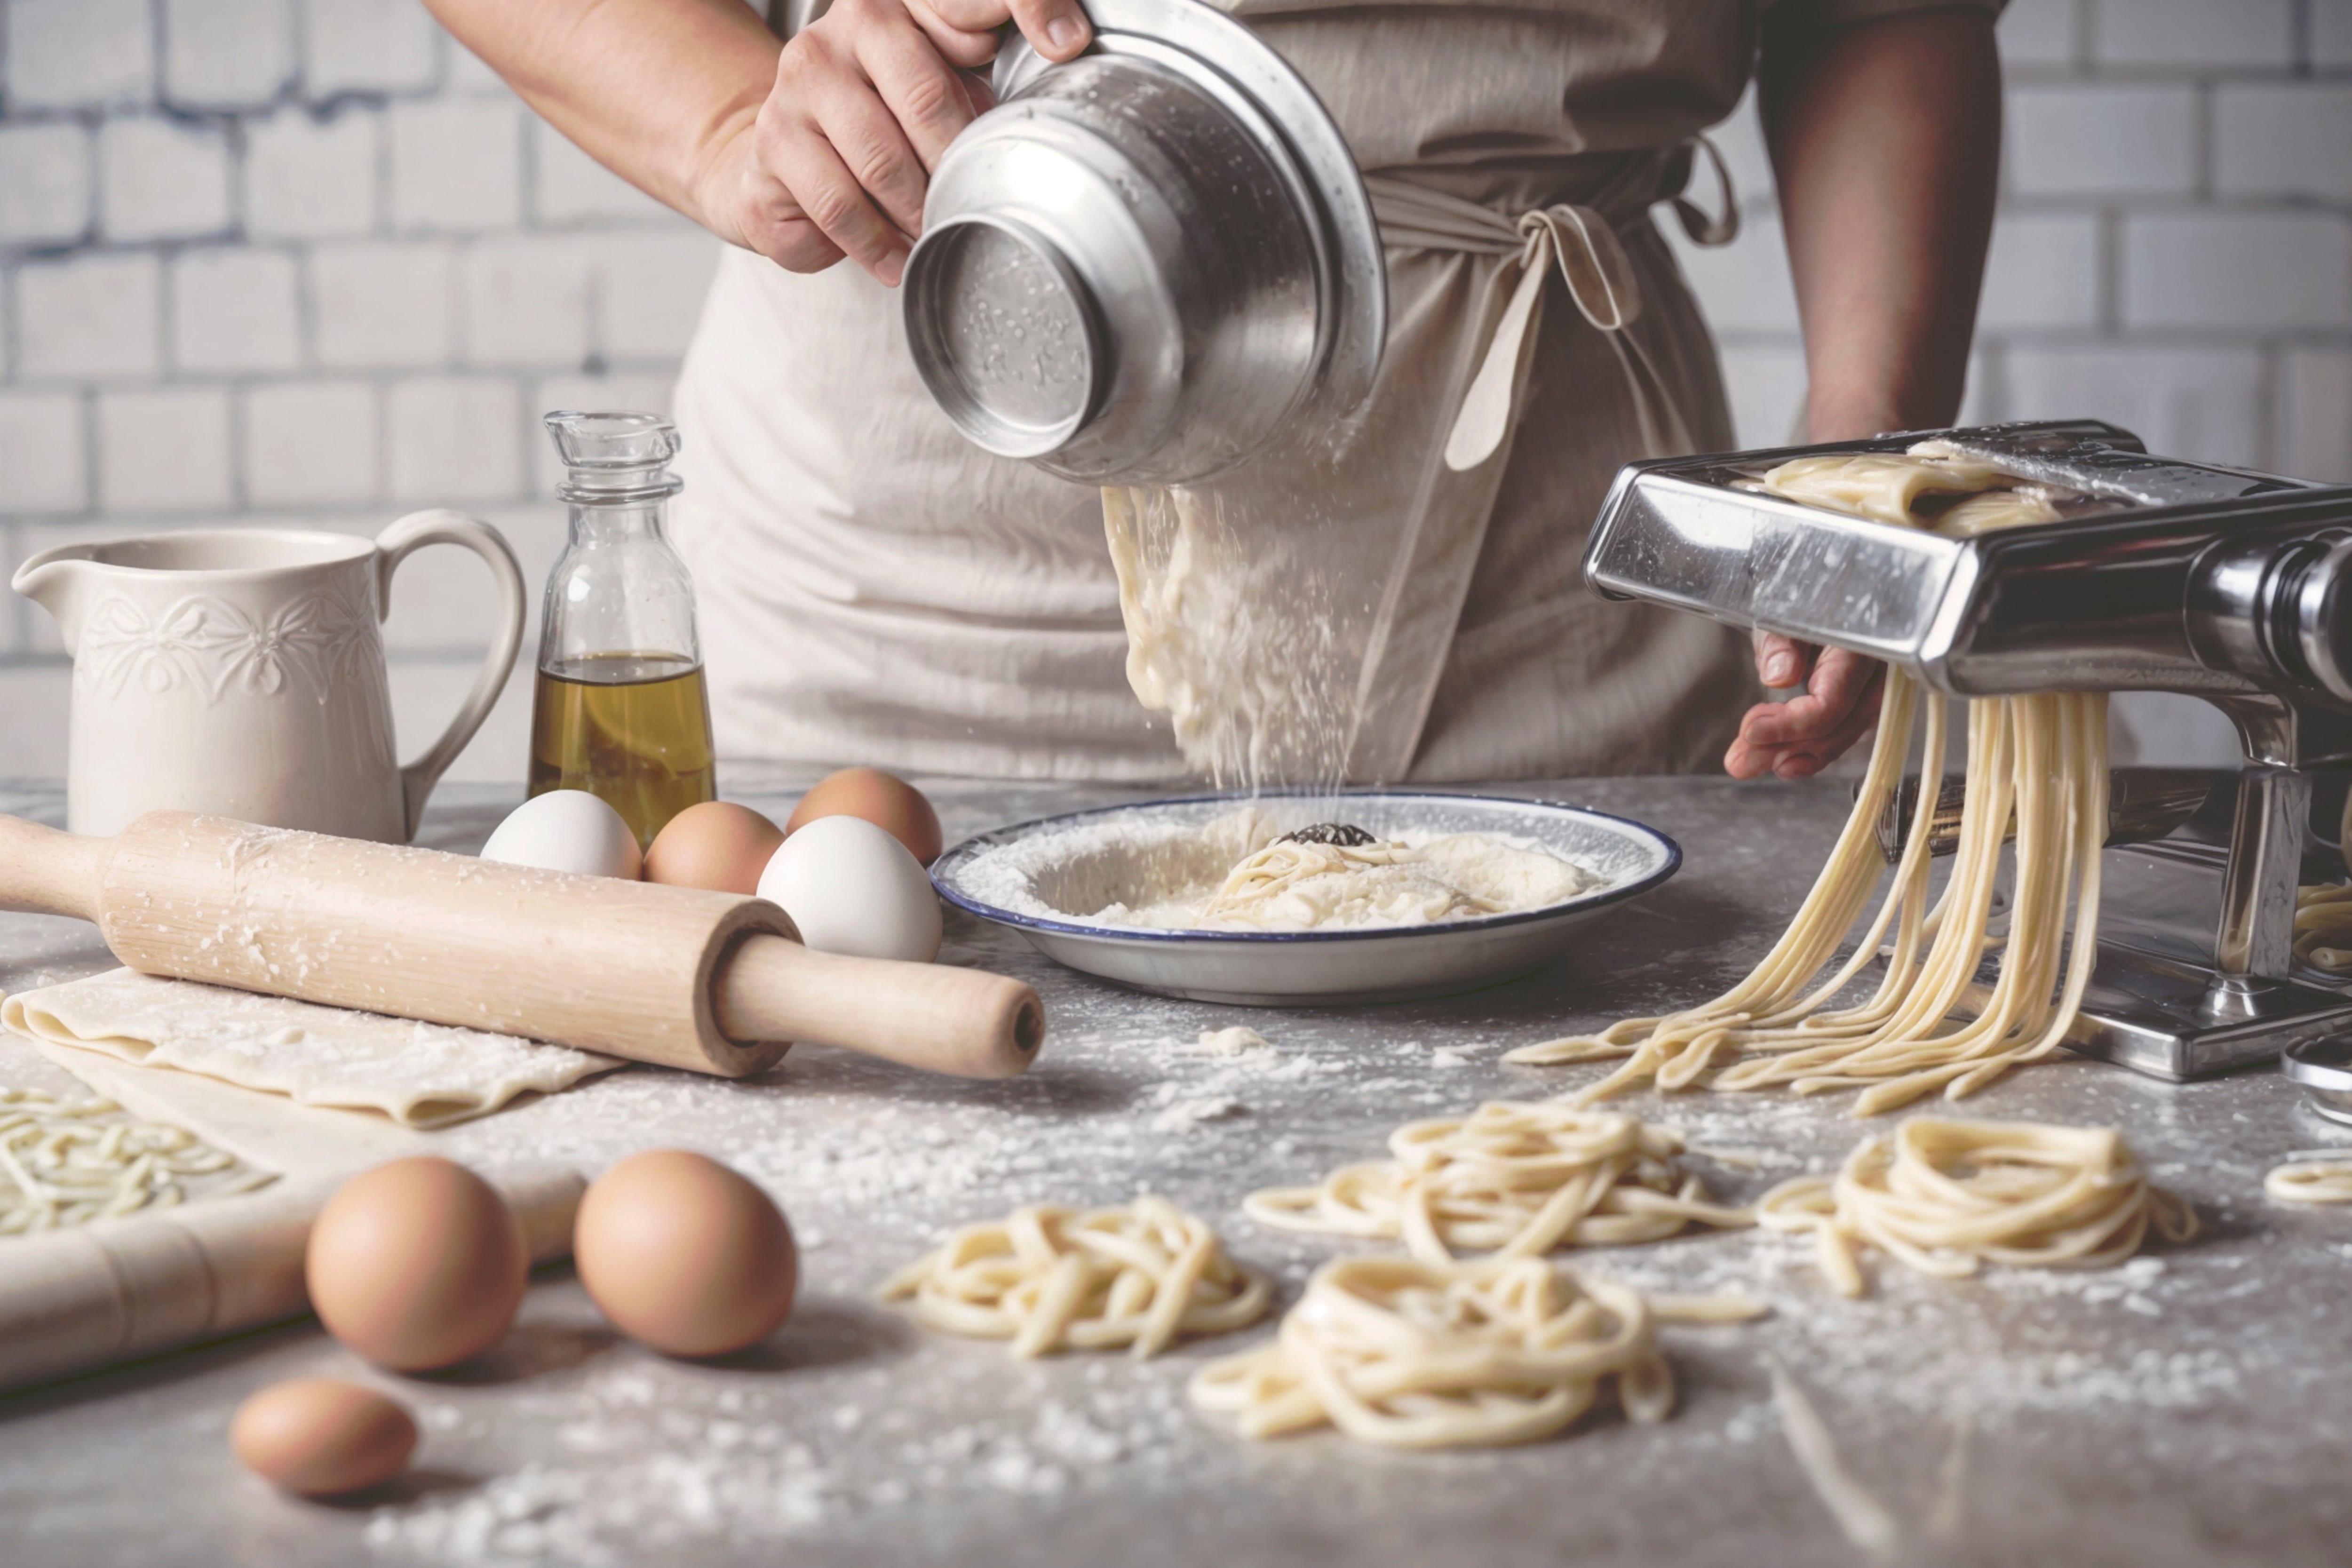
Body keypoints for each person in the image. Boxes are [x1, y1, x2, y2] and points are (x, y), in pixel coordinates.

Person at [429, 0, 2002, 783]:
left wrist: (1867, 452)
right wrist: (723, 125)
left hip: (1546, 569)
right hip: (916, 551)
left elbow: (1882, 15)